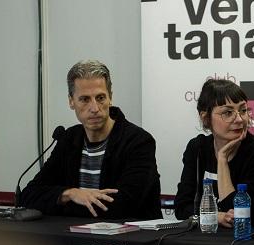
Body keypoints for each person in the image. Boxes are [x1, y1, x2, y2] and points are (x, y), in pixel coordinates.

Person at [20, 60, 162, 219]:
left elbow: (121, 207)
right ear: (71, 101)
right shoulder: (68, 139)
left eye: (100, 98)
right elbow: (28, 196)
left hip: (129, 240)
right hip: (72, 239)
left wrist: (59, 203)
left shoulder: (138, 141)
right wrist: (70, 194)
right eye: (85, 99)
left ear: (110, 97)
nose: (94, 108)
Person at [174, 79, 254, 227]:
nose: (239, 119)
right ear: (205, 118)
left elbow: (239, 214)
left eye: (243, 110)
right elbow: (182, 208)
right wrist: (215, 217)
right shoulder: (197, 148)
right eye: (228, 113)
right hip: (207, 239)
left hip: (252, 239)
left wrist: (222, 160)